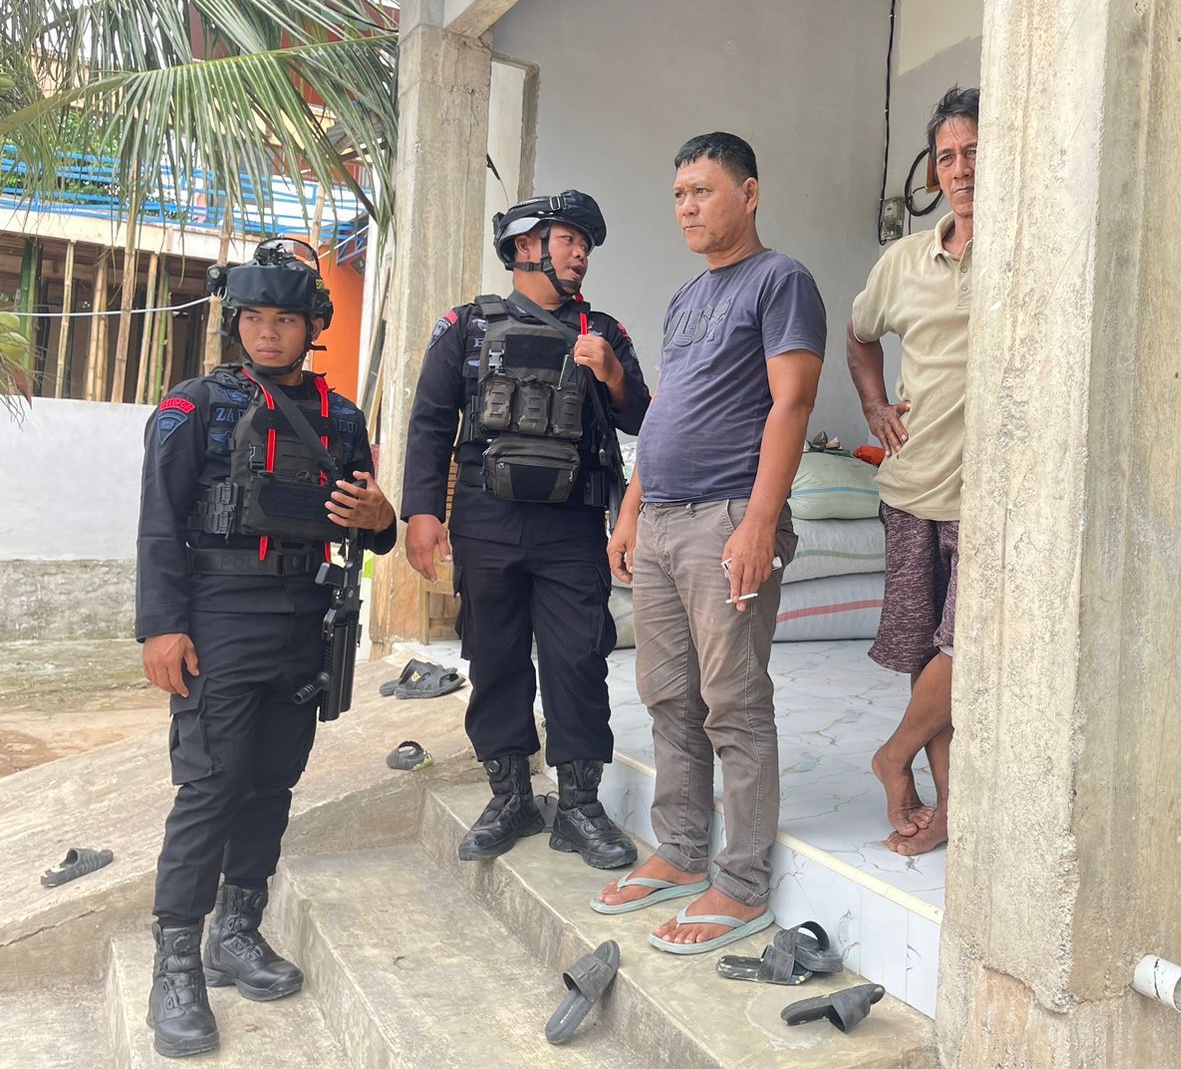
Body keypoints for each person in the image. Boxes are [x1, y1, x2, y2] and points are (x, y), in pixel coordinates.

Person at [136, 239, 396, 1058]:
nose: (269, 333)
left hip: (304, 613)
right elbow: (158, 524)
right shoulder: (194, 408)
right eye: (254, 318)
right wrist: (161, 626)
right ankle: (176, 963)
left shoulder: (341, 418)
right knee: (211, 783)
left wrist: (381, 518)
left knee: (273, 781)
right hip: (218, 614)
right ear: (237, 323)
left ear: (312, 326)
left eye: (285, 319)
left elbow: (371, 527)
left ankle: (237, 931)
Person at [596, 132, 825, 953]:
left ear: (749, 193)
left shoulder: (781, 281)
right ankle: (683, 849)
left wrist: (760, 520)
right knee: (668, 695)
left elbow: (792, 403)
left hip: (728, 517)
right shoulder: (686, 296)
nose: (687, 207)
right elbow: (666, 408)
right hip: (662, 517)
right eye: (679, 195)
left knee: (733, 701)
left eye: (703, 190)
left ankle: (743, 883)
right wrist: (631, 509)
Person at [402, 190, 648, 869]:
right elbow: (430, 421)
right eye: (567, 239)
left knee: (577, 659)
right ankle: (509, 796)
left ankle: (579, 807)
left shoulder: (605, 330)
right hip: (486, 520)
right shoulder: (465, 325)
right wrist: (422, 512)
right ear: (523, 246)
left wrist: (613, 374)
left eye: (585, 244)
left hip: (572, 525)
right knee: (495, 658)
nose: (580, 254)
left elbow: (643, 419)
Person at [847, 86, 977, 855]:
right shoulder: (903, 261)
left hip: (991, 500)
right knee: (928, 654)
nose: (961, 169)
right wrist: (873, 405)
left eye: (975, 152)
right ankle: (949, 807)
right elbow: (860, 333)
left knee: (969, 648)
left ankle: (892, 755)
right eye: (948, 156)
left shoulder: (1030, 251)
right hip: (912, 488)